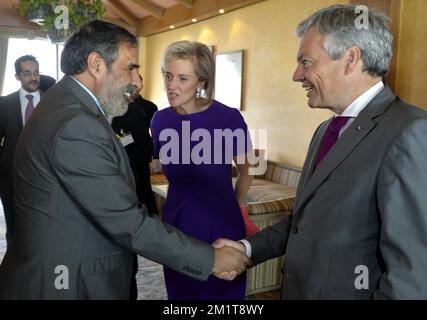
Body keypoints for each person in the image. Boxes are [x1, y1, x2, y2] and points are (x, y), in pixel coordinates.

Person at [0, 20, 249, 300]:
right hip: (65, 282)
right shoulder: (76, 123)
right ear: (96, 64)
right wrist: (210, 260)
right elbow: (126, 221)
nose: (135, 80)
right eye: (130, 67)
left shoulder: (66, 103)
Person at [215, 4, 427, 299]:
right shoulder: (325, 131)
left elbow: (411, 273)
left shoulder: (410, 131)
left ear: (350, 59)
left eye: (306, 62)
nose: (296, 75)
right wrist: (247, 248)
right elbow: (304, 222)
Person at [150, 40, 254, 300]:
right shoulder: (160, 120)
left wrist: (237, 203)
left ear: (202, 81)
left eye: (183, 78)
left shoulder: (228, 118)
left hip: (221, 226)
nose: (171, 85)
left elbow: (247, 170)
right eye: (168, 75)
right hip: (176, 227)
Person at [111, 74, 159, 300]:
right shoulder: (89, 111)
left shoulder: (135, 112)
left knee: (126, 254)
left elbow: (146, 148)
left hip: (129, 185)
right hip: (100, 193)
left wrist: (122, 150)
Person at [0, 55, 42, 243]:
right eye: (27, 73)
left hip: (45, 179)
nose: (33, 78)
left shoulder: (53, 103)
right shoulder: (4, 105)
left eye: (36, 73)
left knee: (41, 231)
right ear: (17, 76)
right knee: (15, 231)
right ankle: (13, 270)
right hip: (11, 179)